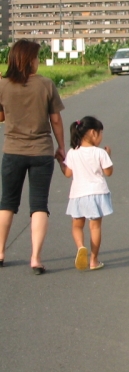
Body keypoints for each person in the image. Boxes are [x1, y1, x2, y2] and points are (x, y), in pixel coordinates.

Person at [0, 40, 66, 274]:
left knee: (7, 203)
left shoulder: (3, 85)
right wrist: (61, 147)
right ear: (29, 60)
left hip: (12, 151)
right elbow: (56, 120)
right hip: (41, 152)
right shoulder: (46, 85)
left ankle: (0, 252)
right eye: (37, 58)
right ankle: (35, 258)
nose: (38, 62)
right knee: (39, 205)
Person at [57, 116, 113, 271]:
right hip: (97, 193)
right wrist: (108, 155)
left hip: (78, 194)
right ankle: (94, 260)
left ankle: (81, 247)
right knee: (95, 228)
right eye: (101, 133)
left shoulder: (73, 153)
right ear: (94, 133)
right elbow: (108, 172)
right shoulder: (100, 153)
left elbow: (68, 173)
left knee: (77, 226)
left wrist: (60, 161)